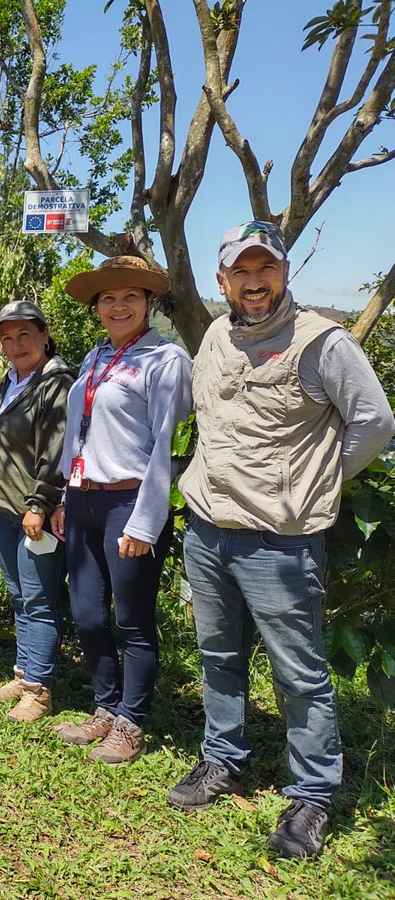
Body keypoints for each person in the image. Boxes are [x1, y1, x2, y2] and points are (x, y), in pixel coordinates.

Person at [167, 221, 394, 858]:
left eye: (265, 268)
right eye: (242, 271)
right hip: (209, 529)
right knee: (218, 655)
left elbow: (375, 422)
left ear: (284, 272)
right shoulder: (213, 334)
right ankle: (222, 760)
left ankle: (313, 795)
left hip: (282, 540)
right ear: (223, 280)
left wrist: (317, 480)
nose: (254, 281)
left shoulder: (323, 342)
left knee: (298, 674)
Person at [48, 256, 192, 764]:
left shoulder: (165, 361)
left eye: (130, 296)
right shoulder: (93, 358)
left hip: (129, 503)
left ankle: (131, 721)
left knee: (132, 619)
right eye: (108, 298)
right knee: (86, 613)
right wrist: (67, 494)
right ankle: (105, 709)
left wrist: (146, 521)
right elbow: (78, 434)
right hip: (85, 500)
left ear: (149, 302)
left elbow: (164, 446)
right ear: (97, 308)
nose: (118, 305)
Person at [0, 300, 73, 721]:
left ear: (45, 334)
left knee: (38, 599)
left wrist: (39, 503)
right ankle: (24, 671)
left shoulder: (55, 384)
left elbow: (56, 450)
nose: (16, 345)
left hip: (34, 511)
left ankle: (39, 689)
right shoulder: (9, 382)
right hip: (3, 508)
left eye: (24, 336)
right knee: (19, 595)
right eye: (7, 338)